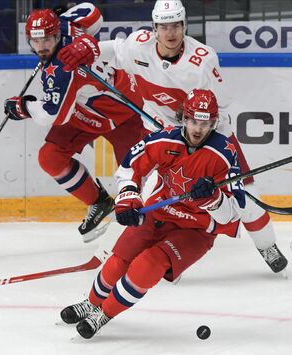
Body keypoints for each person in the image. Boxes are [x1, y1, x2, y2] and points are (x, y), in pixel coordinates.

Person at [57, 0, 288, 273]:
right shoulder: (138, 46)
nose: (170, 33)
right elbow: (115, 51)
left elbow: (219, 109)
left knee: (245, 195)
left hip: (208, 135)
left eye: (176, 25)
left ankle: (266, 245)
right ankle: (123, 254)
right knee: (143, 193)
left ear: (184, 25)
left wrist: (216, 146)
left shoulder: (202, 61)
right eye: (164, 26)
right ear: (154, 28)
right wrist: (90, 48)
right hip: (161, 133)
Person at [58, 89, 245, 338]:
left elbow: (232, 214)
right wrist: (128, 198)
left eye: (204, 123)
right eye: (193, 122)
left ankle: (104, 314)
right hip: (160, 212)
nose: (198, 129)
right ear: (183, 119)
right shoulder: (164, 140)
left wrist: (213, 198)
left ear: (213, 123)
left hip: (196, 229)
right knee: (118, 260)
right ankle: (91, 303)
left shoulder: (225, 153)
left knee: (149, 263)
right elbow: (129, 168)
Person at [4, 4, 149, 242]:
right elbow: (94, 12)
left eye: (47, 41)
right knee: (50, 157)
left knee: (136, 178)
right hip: (84, 111)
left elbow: (52, 115)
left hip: (125, 113)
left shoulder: (61, 69)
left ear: (57, 35)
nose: (41, 48)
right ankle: (99, 202)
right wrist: (59, 16)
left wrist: (24, 107)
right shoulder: (66, 24)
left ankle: (147, 234)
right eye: (36, 42)